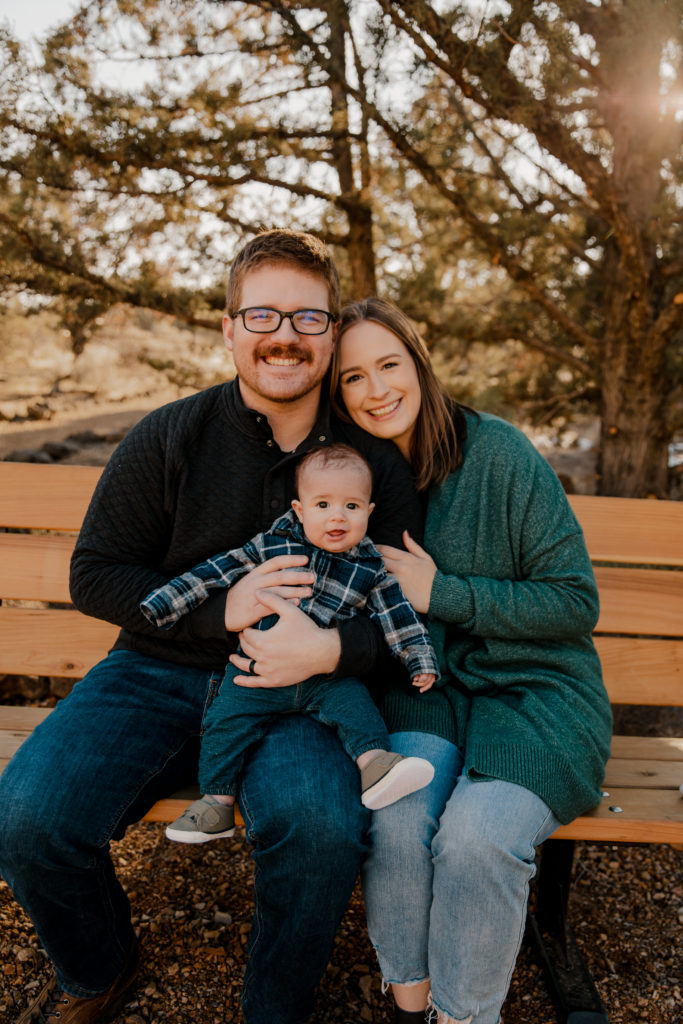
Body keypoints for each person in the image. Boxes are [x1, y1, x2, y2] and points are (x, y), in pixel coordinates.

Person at [0, 232, 424, 1024]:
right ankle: (98, 968)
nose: (284, 335)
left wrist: (332, 648)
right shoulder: (169, 435)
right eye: (261, 313)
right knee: (27, 820)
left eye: (307, 317)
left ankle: (275, 1006)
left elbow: (403, 612)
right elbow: (94, 573)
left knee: (321, 829)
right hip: (155, 670)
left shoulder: (371, 466)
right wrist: (214, 611)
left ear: (330, 337)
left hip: (301, 689)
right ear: (228, 329)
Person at [330, 297, 613, 1024]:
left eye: (388, 365)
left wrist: (443, 592)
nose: (375, 390)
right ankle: (410, 1004)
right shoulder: (349, 482)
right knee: (393, 824)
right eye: (353, 377)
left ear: (419, 365)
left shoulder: (499, 453)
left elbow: (572, 602)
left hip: (535, 695)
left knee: (476, 840)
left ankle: (463, 1017)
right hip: (427, 696)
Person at [140, 443, 437, 842]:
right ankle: (216, 802)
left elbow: (398, 616)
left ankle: (376, 765)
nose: (337, 516)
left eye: (352, 506)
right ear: (299, 510)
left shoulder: (371, 568)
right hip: (258, 673)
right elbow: (215, 571)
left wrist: (418, 658)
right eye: (323, 505)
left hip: (325, 677)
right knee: (224, 723)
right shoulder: (272, 544)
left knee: (357, 708)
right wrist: (167, 602)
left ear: (369, 512)